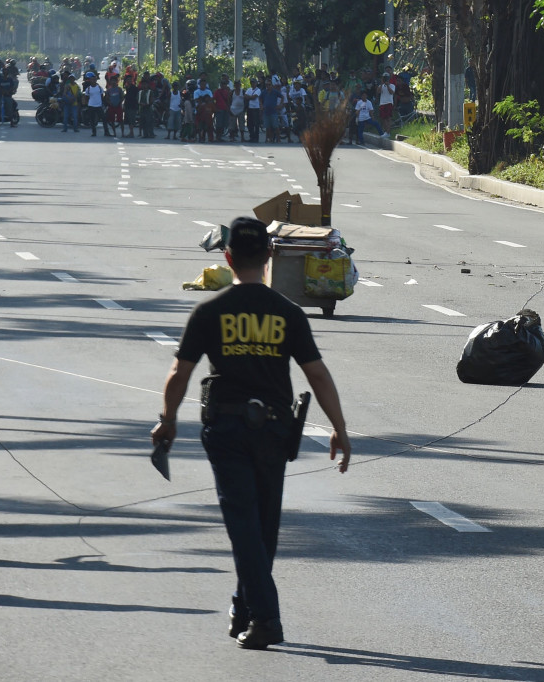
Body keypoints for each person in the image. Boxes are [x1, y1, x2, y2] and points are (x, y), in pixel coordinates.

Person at [151, 217, 350, 649]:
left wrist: (167, 419)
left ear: (227, 258)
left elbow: (178, 373)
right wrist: (339, 428)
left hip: (226, 430)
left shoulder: (210, 311)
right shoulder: (288, 314)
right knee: (263, 528)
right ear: (269, 257)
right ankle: (247, 608)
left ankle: (265, 617)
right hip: (274, 433)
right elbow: (317, 374)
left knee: (244, 525)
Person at [83, 72, 105, 137]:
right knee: (92, 120)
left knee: (104, 119)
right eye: (92, 80)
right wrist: (88, 104)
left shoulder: (99, 88)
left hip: (98, 105)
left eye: (94, 79)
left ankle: (106, 131)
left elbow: (102, 96)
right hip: (91, 106)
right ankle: (94, 132)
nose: (93, 81)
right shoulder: (88, 89)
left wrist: (100, 102)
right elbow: (86, 97)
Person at [245, 77, 262, 143]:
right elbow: (245, 96)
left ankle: (256, 138)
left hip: (256, 108)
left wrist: (249, 97)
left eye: (253, 82)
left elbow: (253, 97)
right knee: (250, 124)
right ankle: (251, 137)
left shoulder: (258, 90)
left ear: (256, 83)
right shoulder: (249, 89)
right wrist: (249, 97)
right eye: (251, 82)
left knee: (256, 124)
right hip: (250, 108)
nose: (252, 84)